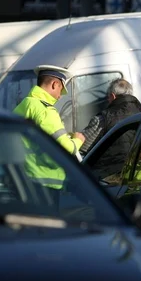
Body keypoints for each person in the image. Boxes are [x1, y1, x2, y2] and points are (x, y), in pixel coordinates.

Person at [13, 65, 85, 194]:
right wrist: (78, 140)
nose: (60, 96)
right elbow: (66, 148)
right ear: (54, 84)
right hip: (46, 182)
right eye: (61, 90)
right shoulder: (45, 110)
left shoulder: (25, 104)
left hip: (24, 179)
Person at [80, 78, 141, 154]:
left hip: (109, 165)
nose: (108, 100)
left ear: (113, 96)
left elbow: (83, 147)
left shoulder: (103, 118)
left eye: (108, 97)